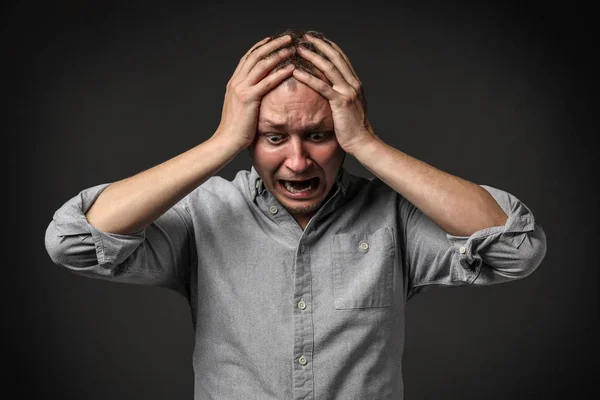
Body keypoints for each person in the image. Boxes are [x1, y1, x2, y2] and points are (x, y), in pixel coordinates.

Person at [44, 29, 547, 399]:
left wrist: (367, 144)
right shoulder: (205, 215)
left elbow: (515, 248)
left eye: (320, 135)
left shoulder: (394, 216)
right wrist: (222, 142)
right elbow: (71, 240)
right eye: (274, 136)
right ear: (249, 138)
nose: (298, 161)